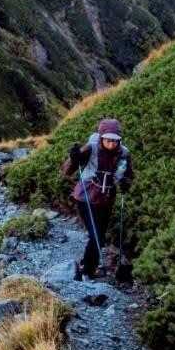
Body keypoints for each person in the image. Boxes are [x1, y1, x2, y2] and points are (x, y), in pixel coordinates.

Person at [63, 117, 134, 279]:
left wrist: (125, 183)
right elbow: (68, 170)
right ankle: (87, 269)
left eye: (115, 140)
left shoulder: (124, 153)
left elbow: (128, 175)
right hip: (85, 197)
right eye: (108, 140)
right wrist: (74, 158)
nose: (111, 144)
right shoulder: (91, 147)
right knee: (96, 235)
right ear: (101, 137)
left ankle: (88, 265)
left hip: (107, 199)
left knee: (99, 235)